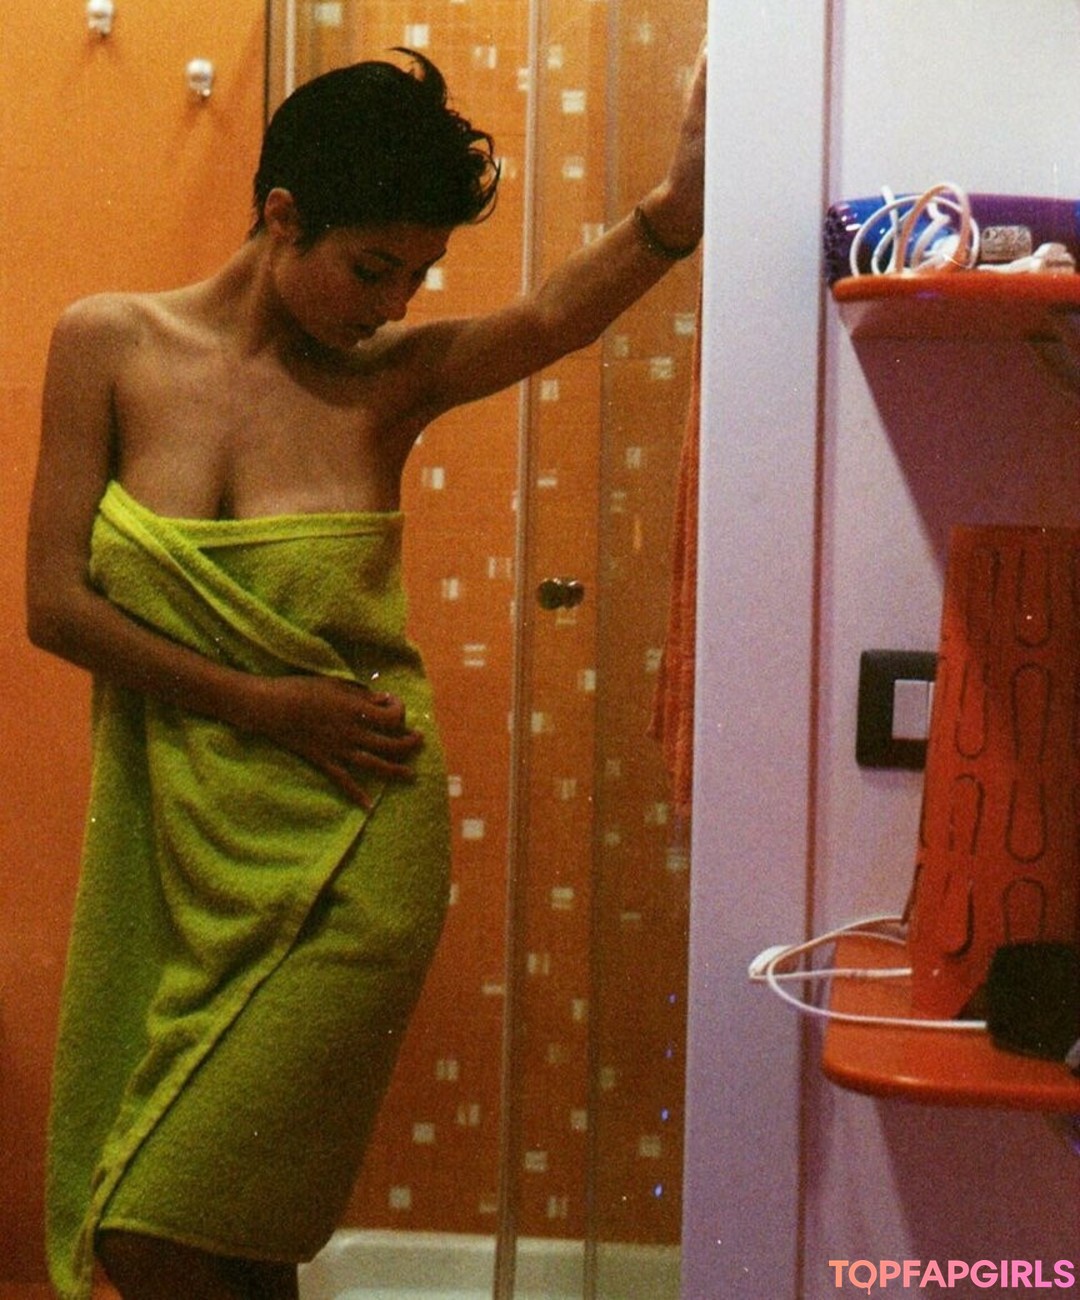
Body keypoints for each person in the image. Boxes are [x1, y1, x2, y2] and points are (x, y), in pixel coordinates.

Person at [26, 43, 706, 1300]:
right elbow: (55, 606)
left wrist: (675, 208)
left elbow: (548, 319)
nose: (394, 305)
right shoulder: (106, 343)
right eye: (373, 267)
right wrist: (268, 704)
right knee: (212, 1226)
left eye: (419, 274)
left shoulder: (384, 388)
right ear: (283, 216)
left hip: (357, 843)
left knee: (169, 1230)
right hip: (192, 840)